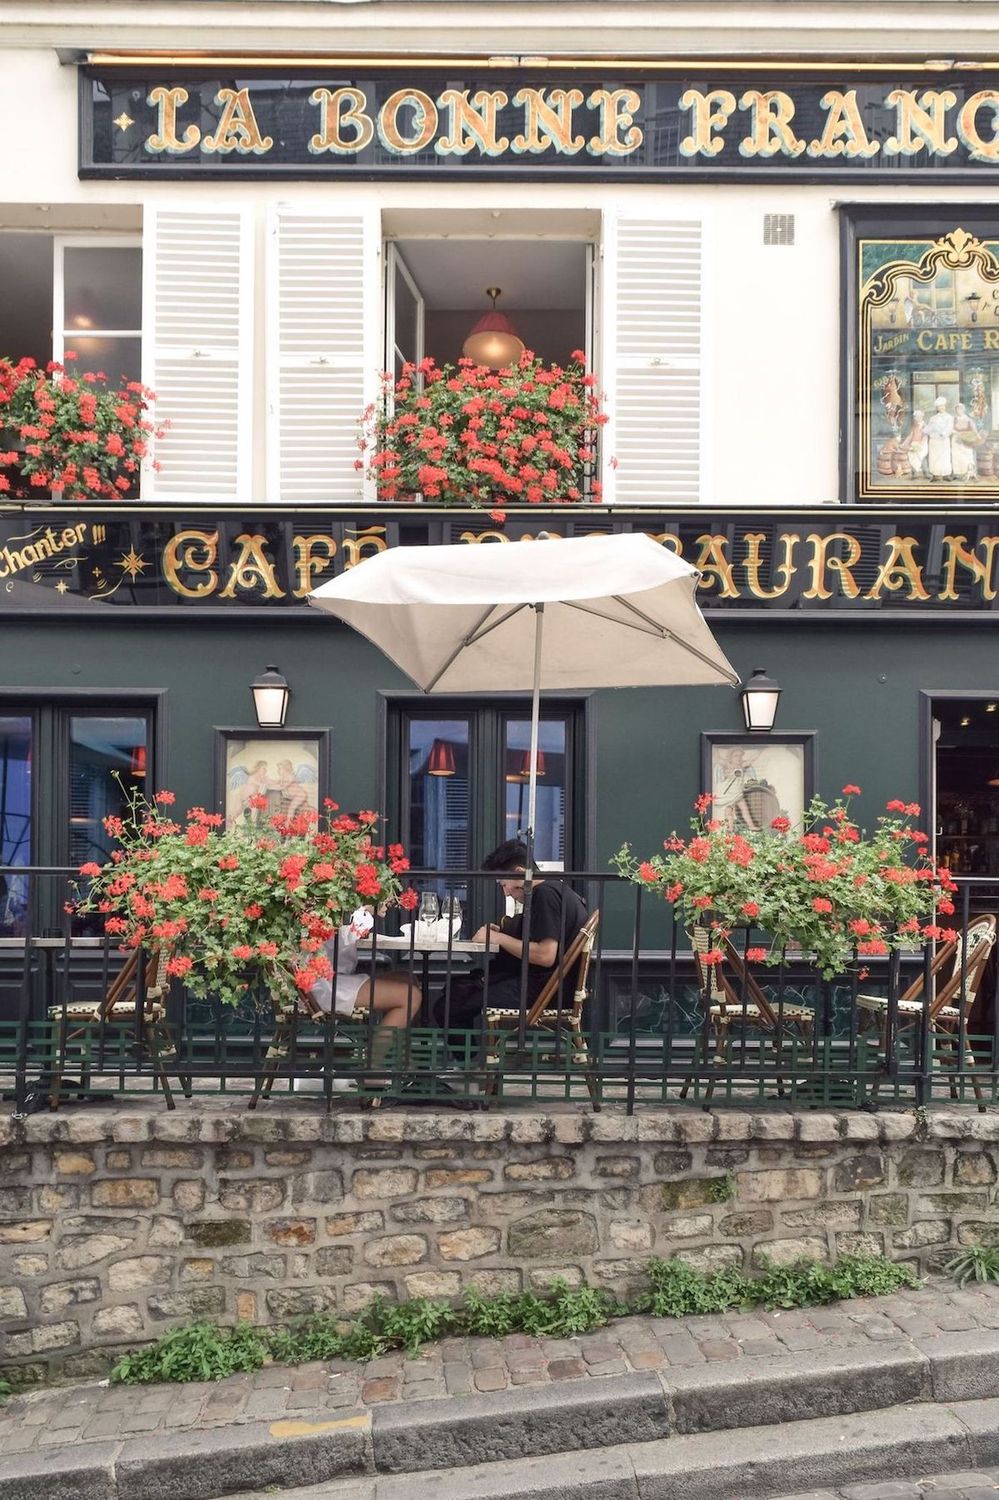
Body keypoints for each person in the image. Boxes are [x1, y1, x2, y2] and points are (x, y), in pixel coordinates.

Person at [429, 838, 588, 1034]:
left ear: (520, 873)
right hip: (551, 987)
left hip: (543, 992)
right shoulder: (556, 891)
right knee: (457, 991)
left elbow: (545, 956)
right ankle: (476, 1061)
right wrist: (506, 933)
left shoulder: (544, 895)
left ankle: (468, 1062)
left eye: (504, 884)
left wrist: (499, 939)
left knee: (450, 1005)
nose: (505, 893)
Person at [926, 396, 955, 479]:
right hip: (934, 441)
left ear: (945, 406)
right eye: (939, 406)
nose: (941, 408)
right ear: (937, 408)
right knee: (935, 457)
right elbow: (929, 428)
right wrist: (931, 432)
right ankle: (936, 475)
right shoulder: (933, 418)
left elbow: (950, 428)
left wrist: (943, 434)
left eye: (942, 406)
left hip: (944, 440)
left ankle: (946, 475)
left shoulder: (949, 417)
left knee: (944, 456)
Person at [951, 402, 977, 482]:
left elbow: (974, 430)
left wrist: (966, 435)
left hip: (966, 440)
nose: (959, 410)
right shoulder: (954, 419)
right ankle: (958, 474)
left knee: (967, 456)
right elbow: (951, 428)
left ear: (964, 410)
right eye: (957, 409)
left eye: (961, 409)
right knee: (957, 457)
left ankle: (968, 473)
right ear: (956, 411)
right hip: (956, 440)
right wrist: (955, 433)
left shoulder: (968, 419)